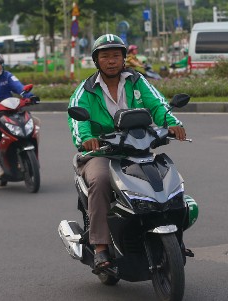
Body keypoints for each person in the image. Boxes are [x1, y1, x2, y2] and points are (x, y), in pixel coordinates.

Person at [67, 34, 186, 271]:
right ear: (96, 61)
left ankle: (173, 234)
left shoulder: (137, 80)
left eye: (115, 56)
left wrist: (172, 123)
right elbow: (78, 119)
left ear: (123, 58)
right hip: (102, 152)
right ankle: (100, 247)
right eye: (105, 56)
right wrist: (87, 138)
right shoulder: (86, 89)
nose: (111, 61)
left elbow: (158, 105)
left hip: (137, 147)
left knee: (166, 175)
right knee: (100, 181)